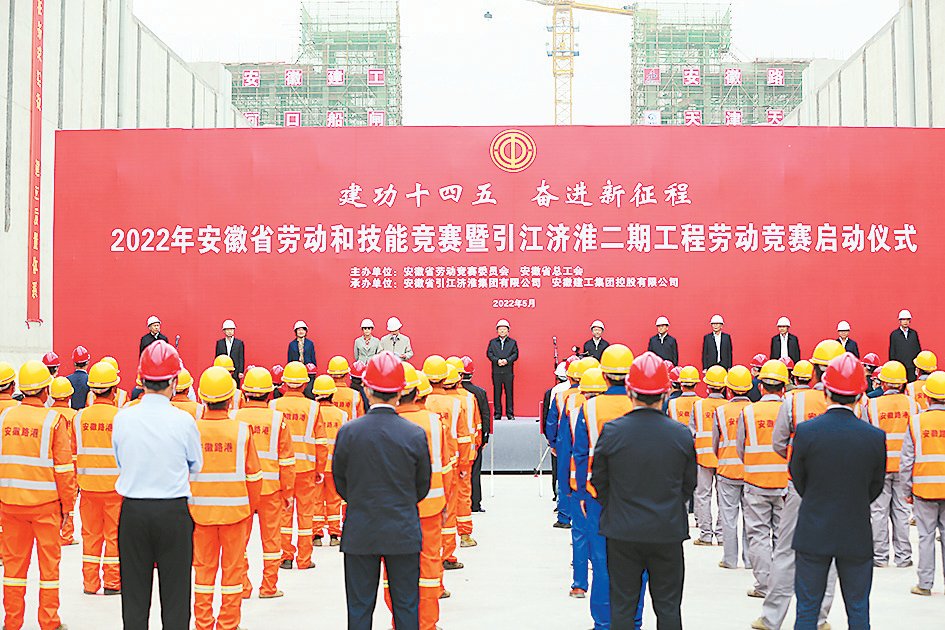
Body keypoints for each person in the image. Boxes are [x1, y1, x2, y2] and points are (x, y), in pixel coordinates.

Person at [593, 351, 696, 630]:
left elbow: (599, 481)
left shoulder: (613, 432)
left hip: (623, 532)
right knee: (668, 608)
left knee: (622, 608)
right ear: (666, 392)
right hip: (667, 532)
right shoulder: (681, 434)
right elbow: (688, 485)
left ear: (630, 391)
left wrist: (618, 507)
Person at [333, 352, 432, 630]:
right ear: (400, 391)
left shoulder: (349, 432)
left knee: (359, 609)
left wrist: (361, 501)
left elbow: (340, 482)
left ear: (366, 388)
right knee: (406, 606)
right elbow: (421, 485)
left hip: (360, 530)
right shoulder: (414, 434)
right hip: (402, 531)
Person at [790, 353, 886, 630]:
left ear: (826, 391)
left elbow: (799, 478)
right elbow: (875, 486)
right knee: (858, 610)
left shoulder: (806, 432)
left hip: (814, 530)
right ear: (860, 395)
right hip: (856, 531)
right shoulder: (874, 437)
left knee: (807, 610)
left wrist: (818, 499)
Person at [112, 341, 202, 630]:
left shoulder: (123, 418)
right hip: (173, 514)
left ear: (141, 379)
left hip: (134, 513)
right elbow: (196, 465)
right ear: (174, 381)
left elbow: (121, 461)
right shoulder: (184, 421)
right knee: (176, 598)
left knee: (134, 599)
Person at [756, 342, 843, 630]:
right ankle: (819, 618)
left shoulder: (794, 402)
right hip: (837, 488)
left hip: (800, 486)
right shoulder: (857, 402)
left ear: (816, 369)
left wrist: (798, 463)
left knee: (786, 550)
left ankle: (771, 618)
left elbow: (779, 442)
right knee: (828, 552)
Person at [0, 360, 77, 630]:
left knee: (13, 569)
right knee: (49, 569)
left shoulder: (4, 419)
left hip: (10, 506)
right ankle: (49, 621)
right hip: (45, 508)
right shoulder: (53, 421)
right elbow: (64, 470)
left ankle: (12, 622)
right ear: (46, 391)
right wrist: (68, 507)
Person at [571, 344, 638, 630]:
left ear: (605, 375)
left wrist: (580, 493)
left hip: (598, 496)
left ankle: (603, 623)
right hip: (635, 497)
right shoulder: (641, 406)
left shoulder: (589, 408)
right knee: (635, 564)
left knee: (601, 562)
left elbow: (580, 455)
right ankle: (633, 622)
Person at [191, 366, 262, 630]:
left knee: (203, 571)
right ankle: (229, 623)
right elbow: (254, 477)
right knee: (232, 572)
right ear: (231, 398)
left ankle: (203, 622)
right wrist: (250, 509)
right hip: (235, 515)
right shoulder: (241, 431)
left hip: (199, 515)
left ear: (202, 397)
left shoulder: (192, 430)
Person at [388, 365, 448, 630]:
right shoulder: (434, 423)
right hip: (430, 508)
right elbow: (446, 468)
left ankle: (399, 623)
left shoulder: (382, 424)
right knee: (429, 567)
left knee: (393, 569)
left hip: (391, 512)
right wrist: (446, 504)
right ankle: (427, 624)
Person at [234, 366, 295, 599]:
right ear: (270, 393)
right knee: (271, 541)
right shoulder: (278, 420)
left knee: (240, 540)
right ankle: (269, 587)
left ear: (245, 392)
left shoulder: (235, 417)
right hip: (271, 489)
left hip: (242, 490)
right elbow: (286, 461)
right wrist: (288, 492)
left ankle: (242, 586)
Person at [737, 360, 790, 600]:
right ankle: (782, 584)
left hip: (756, 481)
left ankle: (764, 585)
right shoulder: (790, 410)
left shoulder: (749, 411)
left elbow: (740, 447)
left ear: (760, 387)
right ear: (783, 387)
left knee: (758, 535)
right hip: (785, 483)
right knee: (783, 535)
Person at [74, 361, 125, 596]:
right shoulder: (121, 418)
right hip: (115, 489)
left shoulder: (79, 418)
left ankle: (90, 582)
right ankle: (112, 583)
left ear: (92, 391)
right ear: (114, 389)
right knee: (113, 536)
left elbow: (74, 453)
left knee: (90, 536)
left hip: (87, 489)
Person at [271, 361, 327, 570]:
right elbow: (321, 442)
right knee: (306, 514)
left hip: (282, 469)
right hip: (306, 469)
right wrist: (320, 469)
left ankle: (286, 556)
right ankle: (304, 559)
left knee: (284, 513)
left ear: (284, 383)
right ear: (305, 384)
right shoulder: (313, 407)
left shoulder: (274, 406)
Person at [863, 361, 916, 570]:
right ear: (902, 384)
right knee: (901, 512)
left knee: (878, 512)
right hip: (904, 467)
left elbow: (865, 436)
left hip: (880, 466)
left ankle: (880, 556)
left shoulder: (872, 406)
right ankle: (903, 557)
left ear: (883, 383)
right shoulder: (913, 405)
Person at [900, 370, 945, 597]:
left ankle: (925, 584)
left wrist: (906, 489)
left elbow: (907, 459)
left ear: (926, 397)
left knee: (926, 537)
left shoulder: (917, 422)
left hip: (924, 489)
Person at [712, 365, 754, 570]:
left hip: (727, 470)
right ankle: (750, 560)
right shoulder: (754, 410)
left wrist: (721, 457)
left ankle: (729, 559)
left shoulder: (721, 411)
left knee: (728, 517)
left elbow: (714, 442)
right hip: (750, 471)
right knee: (750, 517)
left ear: (728, 389)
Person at [309, 375, 349, 547]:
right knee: (334, 499)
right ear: (333, 393)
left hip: (316, 464)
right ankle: (334, 534)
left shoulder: (312, 413)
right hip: (335, 465)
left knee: (316, 500)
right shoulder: (342, 415)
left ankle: (317, 535)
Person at [691, 366, 727, 546]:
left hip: (703, 455)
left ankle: (705, 535)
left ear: (707, 386)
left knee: (703, 495)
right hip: (723, 457)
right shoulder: (728, 407)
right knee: (723, 498)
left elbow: (692, 432)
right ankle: (721, 536)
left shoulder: (698, 406)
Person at [48, 377, 79, 546]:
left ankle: (53, 532)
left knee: (54, 498)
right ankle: (67, 534)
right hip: (71, 463)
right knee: (69, 497)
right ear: (69, 396)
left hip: (52, 462)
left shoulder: (48, 416)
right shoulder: (75, 415)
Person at [459, 355, 491, 513]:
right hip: (474, 439)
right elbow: (485, 416)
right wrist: (485, 438)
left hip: (456, 439)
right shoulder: (480, 392)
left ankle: (460, 503)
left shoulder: (454, 393)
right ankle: (475, 503)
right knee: (475, 471)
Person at [487, 319, 518, 421]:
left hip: (508, 371)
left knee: (509, 392)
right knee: (497, 392)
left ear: (508, 330)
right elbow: (489, 354)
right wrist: (497, 361)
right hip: (496, 371)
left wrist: (507, 361)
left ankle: (510, 414)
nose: (502, 331)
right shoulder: (492, 342)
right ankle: (497, 413)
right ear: (497, 330)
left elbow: (515, 354)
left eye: (504, 329)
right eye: (500, 329)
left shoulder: (512, 342)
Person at [889, 309, 921, 383]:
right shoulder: (894, 335)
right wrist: (893, 366)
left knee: (911, 385)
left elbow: (917, 349)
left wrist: (918, 366)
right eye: (903, 319)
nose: (905, 322)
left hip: (912, 367)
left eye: (907, 319)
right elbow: (892, 351)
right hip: (900, 367)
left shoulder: (914, 334)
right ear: (899, 321)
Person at [214, 319, 246, 385]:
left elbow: (241, 358)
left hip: (235, 371)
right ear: (224, 331)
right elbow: (217, 357)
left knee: (235, 386)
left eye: (231, 329)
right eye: (227, 329)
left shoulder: (239, 343)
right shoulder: (220, 343)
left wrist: (241, 371)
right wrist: (216, 370)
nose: (229, 331)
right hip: (223, 371)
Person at [67, 345, 92, 410]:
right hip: (86, 414)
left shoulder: (67, 380)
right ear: (88, 362)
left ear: (74, 363)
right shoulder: (90, 380)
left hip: (70, 414)